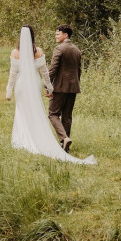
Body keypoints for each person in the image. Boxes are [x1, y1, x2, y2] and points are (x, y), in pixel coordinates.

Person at [6, 26, 96, 165]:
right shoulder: (44, 51)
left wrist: (9, 90)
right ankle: (64, 143)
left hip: (25, 85)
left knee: (42, 113)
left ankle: (58, 138)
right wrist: (49, 86)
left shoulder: (16, 52)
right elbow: (47, 72)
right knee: (62, 115)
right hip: (62, 86)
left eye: (58, 33)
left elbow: (15, 73)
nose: (56, 35)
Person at [47, 24, 81, 152]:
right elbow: (79, 71)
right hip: (73, 87)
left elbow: (53, 69)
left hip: (60, 87)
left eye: (58, 34)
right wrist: (76, 84)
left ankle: (64, 138)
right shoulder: (77, 50)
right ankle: (65, 148)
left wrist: (47, 85)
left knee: (53, 114)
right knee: (67, 116)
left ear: (65, 35)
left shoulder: (59, 49)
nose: (55, 36)